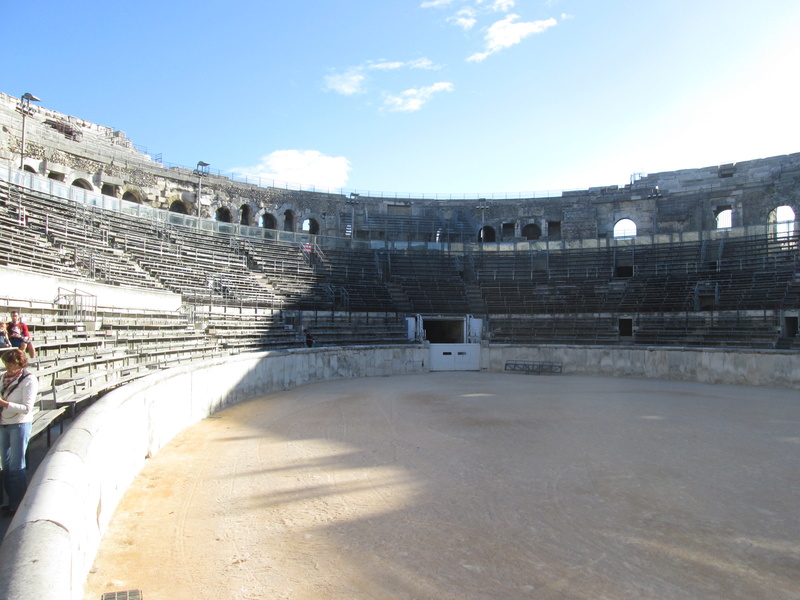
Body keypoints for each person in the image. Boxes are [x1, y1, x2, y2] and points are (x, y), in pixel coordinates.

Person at [0, 349, 39, 517]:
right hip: (4, 423)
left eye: (11, 364)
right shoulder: (3, 378)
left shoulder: (28, 380)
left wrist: (5, 404)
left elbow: (26, 408)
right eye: (6, 364)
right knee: (7, 466)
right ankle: (11, 502)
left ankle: (18, 504)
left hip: (19, 424)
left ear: (20, 364)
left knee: (17, 466)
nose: (8, 368)